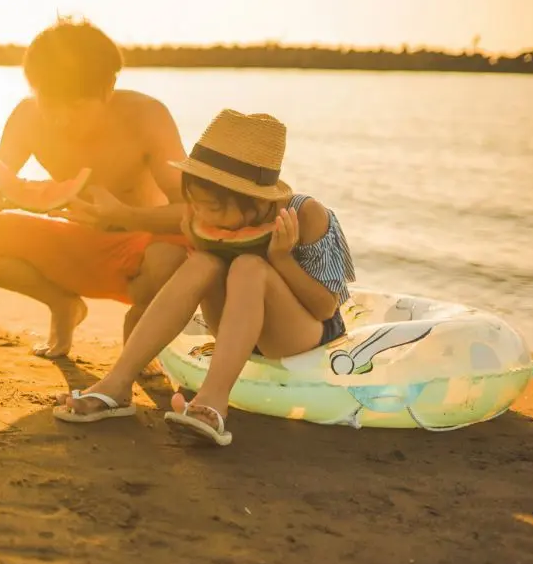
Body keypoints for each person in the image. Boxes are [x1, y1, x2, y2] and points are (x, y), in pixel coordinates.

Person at [53, 109, 356, 446]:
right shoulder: (204, 212)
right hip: (236, 330)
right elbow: (209, 269)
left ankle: (212, 399)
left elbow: (325, 308)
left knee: (249, 267)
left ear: (254, 199)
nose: (201, 214)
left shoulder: (307, 215)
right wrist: (198, 242)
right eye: (196, 204)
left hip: (299, 335)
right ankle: (118, 383)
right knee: (203, 263)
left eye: (213, 208)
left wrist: (281, 260)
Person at [0, 17, 191, 358]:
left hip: (140, 251)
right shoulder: (27, 117)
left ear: (108, 88)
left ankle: (139, 329)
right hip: (76, 243)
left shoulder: (147, 117)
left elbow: (193, 212)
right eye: (50, 103)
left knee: (175, 256)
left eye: (75, 106)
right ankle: (62, 304)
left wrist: (127, 215)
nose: (60, 118)